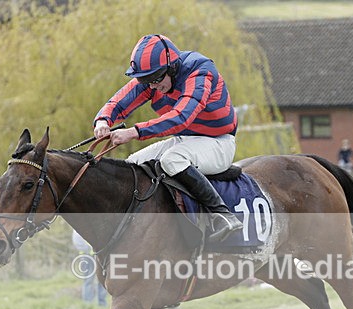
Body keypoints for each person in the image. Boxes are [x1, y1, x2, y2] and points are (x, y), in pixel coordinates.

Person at [93, 34, 242, 241]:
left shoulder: (200, 72)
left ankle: (222, 216)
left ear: (172, 67)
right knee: (132, 166)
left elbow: (181, 117)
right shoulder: (154, 77)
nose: (152, 86)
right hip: (184, 141)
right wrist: (102, 121)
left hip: (218, 142)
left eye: (154, 79)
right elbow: (119, 101)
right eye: (146, 81)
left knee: (172, 160)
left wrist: (134, 132)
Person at [72, 230, 107, 307]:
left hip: (99, 255)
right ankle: (88, 304)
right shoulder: (78, 226)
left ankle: (102, 303)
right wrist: (90, 250)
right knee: (88, 280)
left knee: (102, 279)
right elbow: (77, 241)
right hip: (86, 257)